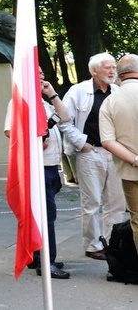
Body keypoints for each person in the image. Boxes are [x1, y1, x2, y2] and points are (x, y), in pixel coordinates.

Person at [4, 68, 71, 279]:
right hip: (36, 167)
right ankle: (46, 261)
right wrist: (34, 144)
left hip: (51, 165)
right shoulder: (20, 102)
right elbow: (10, 131)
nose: (42, 76)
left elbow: (66, 117)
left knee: (43, 214)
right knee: (46, 216)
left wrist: (52, 93)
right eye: (37, 73)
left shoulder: (43, 102)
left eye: (43, 73)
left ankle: (36, 254)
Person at [60, 52, 126, 260]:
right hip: (91, 152)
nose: (112, 71)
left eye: (113, 67)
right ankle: (93, 245)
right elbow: (64, 121)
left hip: (115, 152)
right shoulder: (78, 91)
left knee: (116, 202)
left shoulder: (117, 91)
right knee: (92, 203)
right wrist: (82, 143)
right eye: (107, 67)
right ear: (94, 71)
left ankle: (112, 243)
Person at [99, 53, 138, 254]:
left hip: (131, 172)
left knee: (137, 221)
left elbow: (107, 141)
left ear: (119, 75)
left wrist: (135, 159)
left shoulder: (110, 102)